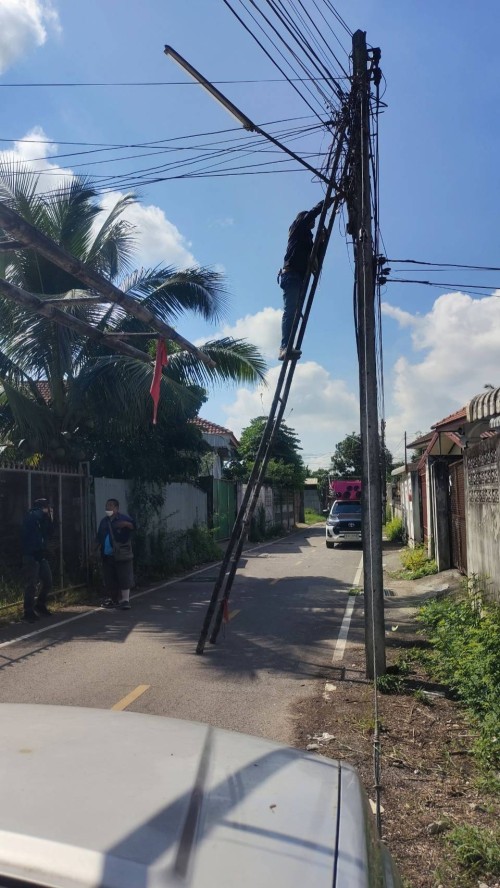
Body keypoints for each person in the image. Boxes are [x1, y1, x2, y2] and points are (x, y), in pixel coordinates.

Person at [277, 197, 332, 361]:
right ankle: (284, 347)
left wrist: (321, 240)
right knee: (290, 312)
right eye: (310, 220)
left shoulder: (306, 239)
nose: (313, 222)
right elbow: (313, 213)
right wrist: (328, 201)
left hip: (299, 278)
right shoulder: (298, 228)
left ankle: (288, 347)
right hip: (292, 275)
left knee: (294, 313)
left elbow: (315, 257)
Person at [96, 498, 136, 611]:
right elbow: (99, 536)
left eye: (110, 506)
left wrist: (126, 524)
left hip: (121, 553)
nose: (107, 508)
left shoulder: (124, 519)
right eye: (106, 506)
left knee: (124, 576)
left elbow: (134, 527)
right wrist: (94, 549)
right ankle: (113, 599)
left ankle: (125, 600)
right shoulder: (104, 521)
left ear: (116, 508)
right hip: (107, 554)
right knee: (110, 578)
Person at [21, 497, 54, 622]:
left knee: (48, 581)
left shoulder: (43, 519)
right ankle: (28, 611)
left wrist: (50, 518)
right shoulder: (32, 517)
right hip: (31, 555)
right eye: (46, 507)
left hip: (40, 555)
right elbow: (31, 537)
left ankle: (40, 604)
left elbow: (50, 532)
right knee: (31, 584)